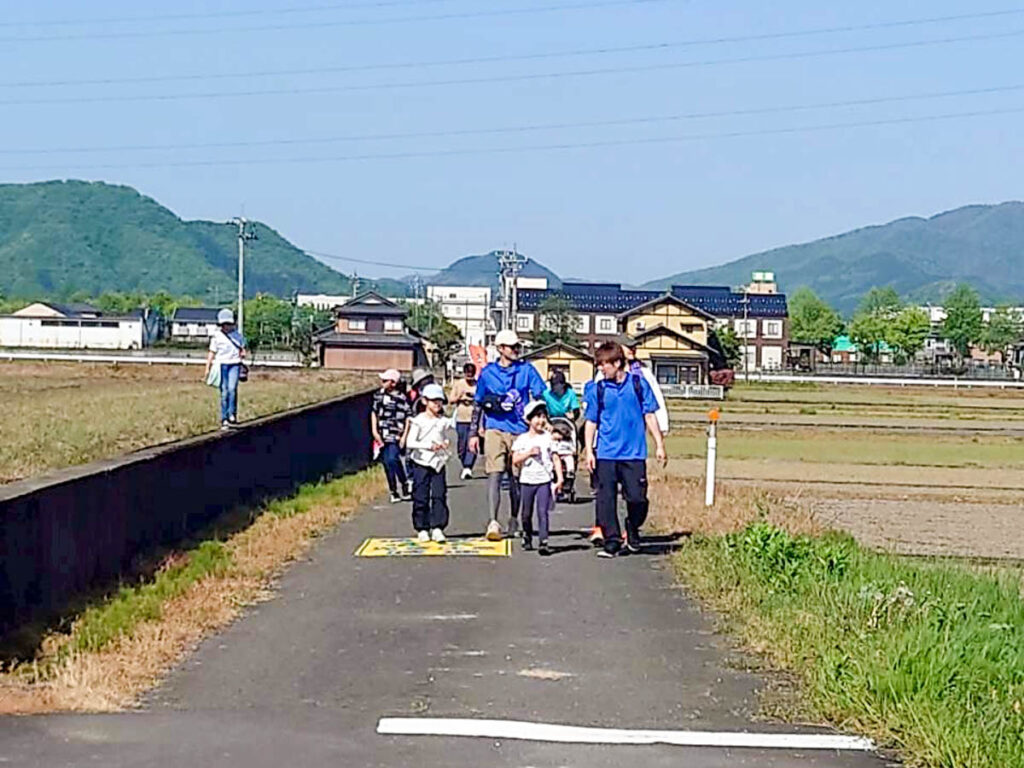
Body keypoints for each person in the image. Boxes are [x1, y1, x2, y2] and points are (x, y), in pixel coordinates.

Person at [584, 341, 667, 558]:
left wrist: (659, 444)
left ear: (618, 363)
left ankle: (632, 527)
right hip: (606, 453)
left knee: (637, 498)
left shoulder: (638, 385)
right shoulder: (598, 390)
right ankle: (612, 540)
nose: (601, 369)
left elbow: (650, 415)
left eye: (605, 364)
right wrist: (589, 451)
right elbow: (591, 421)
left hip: (634, 453)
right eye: (599, 364)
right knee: (605, 499)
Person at [468, 329, 546, 542]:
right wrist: (473, 432)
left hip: (520, 429)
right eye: (512, 347)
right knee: (494, 472)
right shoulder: (487, 373)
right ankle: (493, 521)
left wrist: (540, 420)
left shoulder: (526, 370)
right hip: (494, 426)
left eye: (517, 346)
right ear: (500, 349)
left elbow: (540, 393)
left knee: (516, 477)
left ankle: (514, 518)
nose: (516, 350)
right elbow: (478, 402)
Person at [512, 401, 564, 556]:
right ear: (528, 420)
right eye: (536, 417)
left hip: (544, 480)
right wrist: (528, 453)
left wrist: (559, 478)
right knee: (526, 513)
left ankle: (544, 541)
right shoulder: (522, 439)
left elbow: (555, 458)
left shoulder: (548, 438)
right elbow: (515, 459)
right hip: (527, 480)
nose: (540, 420)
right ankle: (527, 535)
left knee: (543, 511)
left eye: (543, 417)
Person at [404, 383, 453, 544]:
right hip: (421, 462)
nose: (437, 404)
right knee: (420, 495)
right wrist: (428, 446)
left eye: (440, 401)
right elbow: (411, 442)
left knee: (439, 495)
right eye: (433, 401)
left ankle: (438, 527)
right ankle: (422, 528)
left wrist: (445, 443)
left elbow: (445, 436)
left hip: (438, 462)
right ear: (425, 401)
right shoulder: (418, 421)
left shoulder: (443, 421)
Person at [371, 368, 412, 504]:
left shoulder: (401, 398)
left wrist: (405, 436)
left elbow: (408, 417)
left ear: (393, 382)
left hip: (396, 434)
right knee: (387, 463)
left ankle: (403, 482)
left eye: (385, 380)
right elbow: (374, 413)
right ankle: (393, 490)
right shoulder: (378, 396)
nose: (382, 382)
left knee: (392, 459)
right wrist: (374, 432)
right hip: (382, 434)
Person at [205, 308, 246, 430]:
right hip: (221, 365)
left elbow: (242, 349)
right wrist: (207, 368)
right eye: (224, 324)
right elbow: (211, 353)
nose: (227, 326)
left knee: (232, 389)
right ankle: (224, 418)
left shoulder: (238, 336)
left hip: (234, 364)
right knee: (224, 392)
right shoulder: (216, 337)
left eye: (228, 324)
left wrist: (243, 353)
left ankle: (232, 414)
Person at [448, 362, 478, 480]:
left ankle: (468, 466)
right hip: (461, 418)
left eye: (472, 374)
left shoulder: (478, 384)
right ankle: (464, 462)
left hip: (474, 418)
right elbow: (451, 400)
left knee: (472, 444)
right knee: (462, 444)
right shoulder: (458, 384)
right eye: (468, 374)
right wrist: (460, 397)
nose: (469, 377)